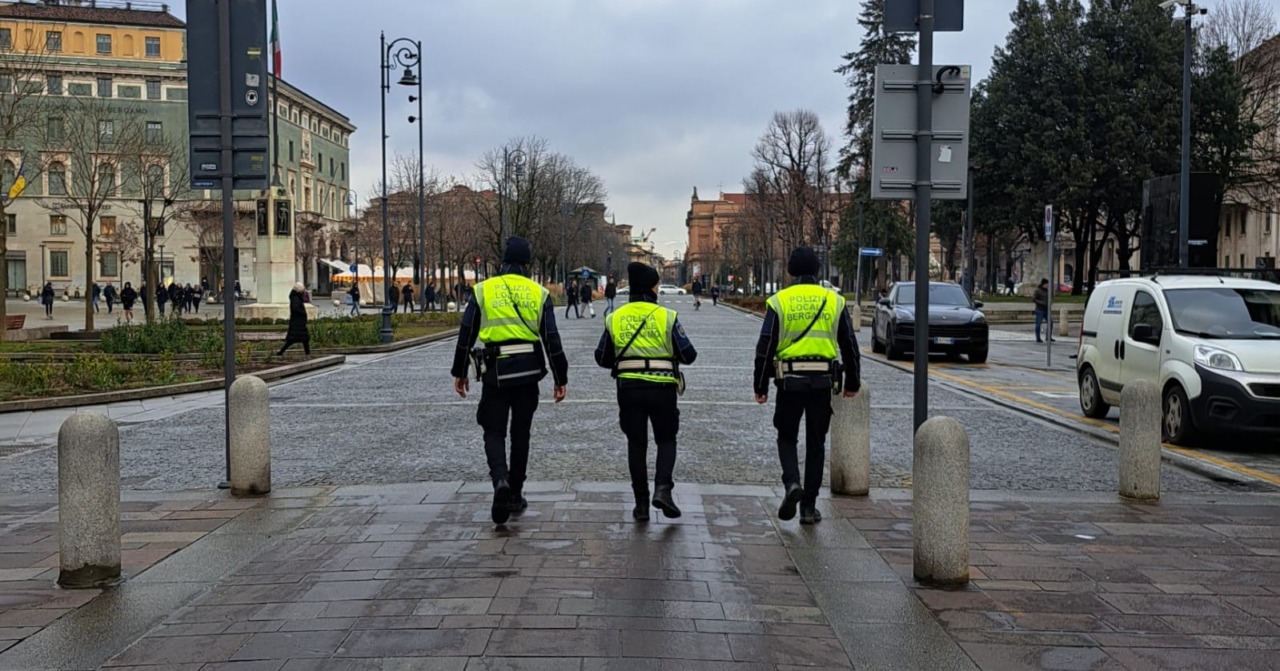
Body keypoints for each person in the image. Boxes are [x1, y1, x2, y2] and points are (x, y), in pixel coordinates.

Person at [452, 236, 569, 526]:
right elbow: (551, 338)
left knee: (493, 430)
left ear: (503, 261)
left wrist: (460, 371)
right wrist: (560, 376)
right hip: (529, 371)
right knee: (521, 433)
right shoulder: (539, 293)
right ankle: (515, 493)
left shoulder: (483, 290)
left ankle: (500, 480)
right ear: (527, 263)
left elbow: (466, 333)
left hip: (494, 372)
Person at [754, 246, 861, 525]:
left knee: (787, 436)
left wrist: (760, 385)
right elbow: (849, 344)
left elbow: (765, 346)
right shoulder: (833, 300)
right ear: (817, 270)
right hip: (822, 382)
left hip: (789, 382)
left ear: (791, 270)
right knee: (817, 443)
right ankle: (809, 508)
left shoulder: (780, 300)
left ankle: (791, 483)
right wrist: (853, 381)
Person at [596, 262, 697, 521]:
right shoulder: (667, 316)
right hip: (662, 388)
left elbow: (602, 358)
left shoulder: (615, 317)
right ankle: (663, 489)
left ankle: (641, 504)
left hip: (628, 389)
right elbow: (689, 354)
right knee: (666, 439)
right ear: (652, 288)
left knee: (636, 444)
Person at [277, 283, 311, 356]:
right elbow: (295, 308)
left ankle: (307, 353)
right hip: (297, 322)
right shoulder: (295, 298)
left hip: (298, 321)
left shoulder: (295, 297)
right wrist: (302, 313)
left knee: (303, 339)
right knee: (297, 339)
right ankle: (281, 352)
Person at [1033, 278, 1054, 343]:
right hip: (1040, 309)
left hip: (1047, 309)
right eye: (1046, 284)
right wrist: (1042, 303)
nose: (1047, 285)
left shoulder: (1048, 291)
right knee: (1038, 324)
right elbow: (1034, 299)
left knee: (1050, 322)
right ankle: (1038, 338)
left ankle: (1048, 336)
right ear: (1043, 284)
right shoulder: (1038, 291)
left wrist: (1051, 302)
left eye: (1048, 284)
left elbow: (1051, 298)